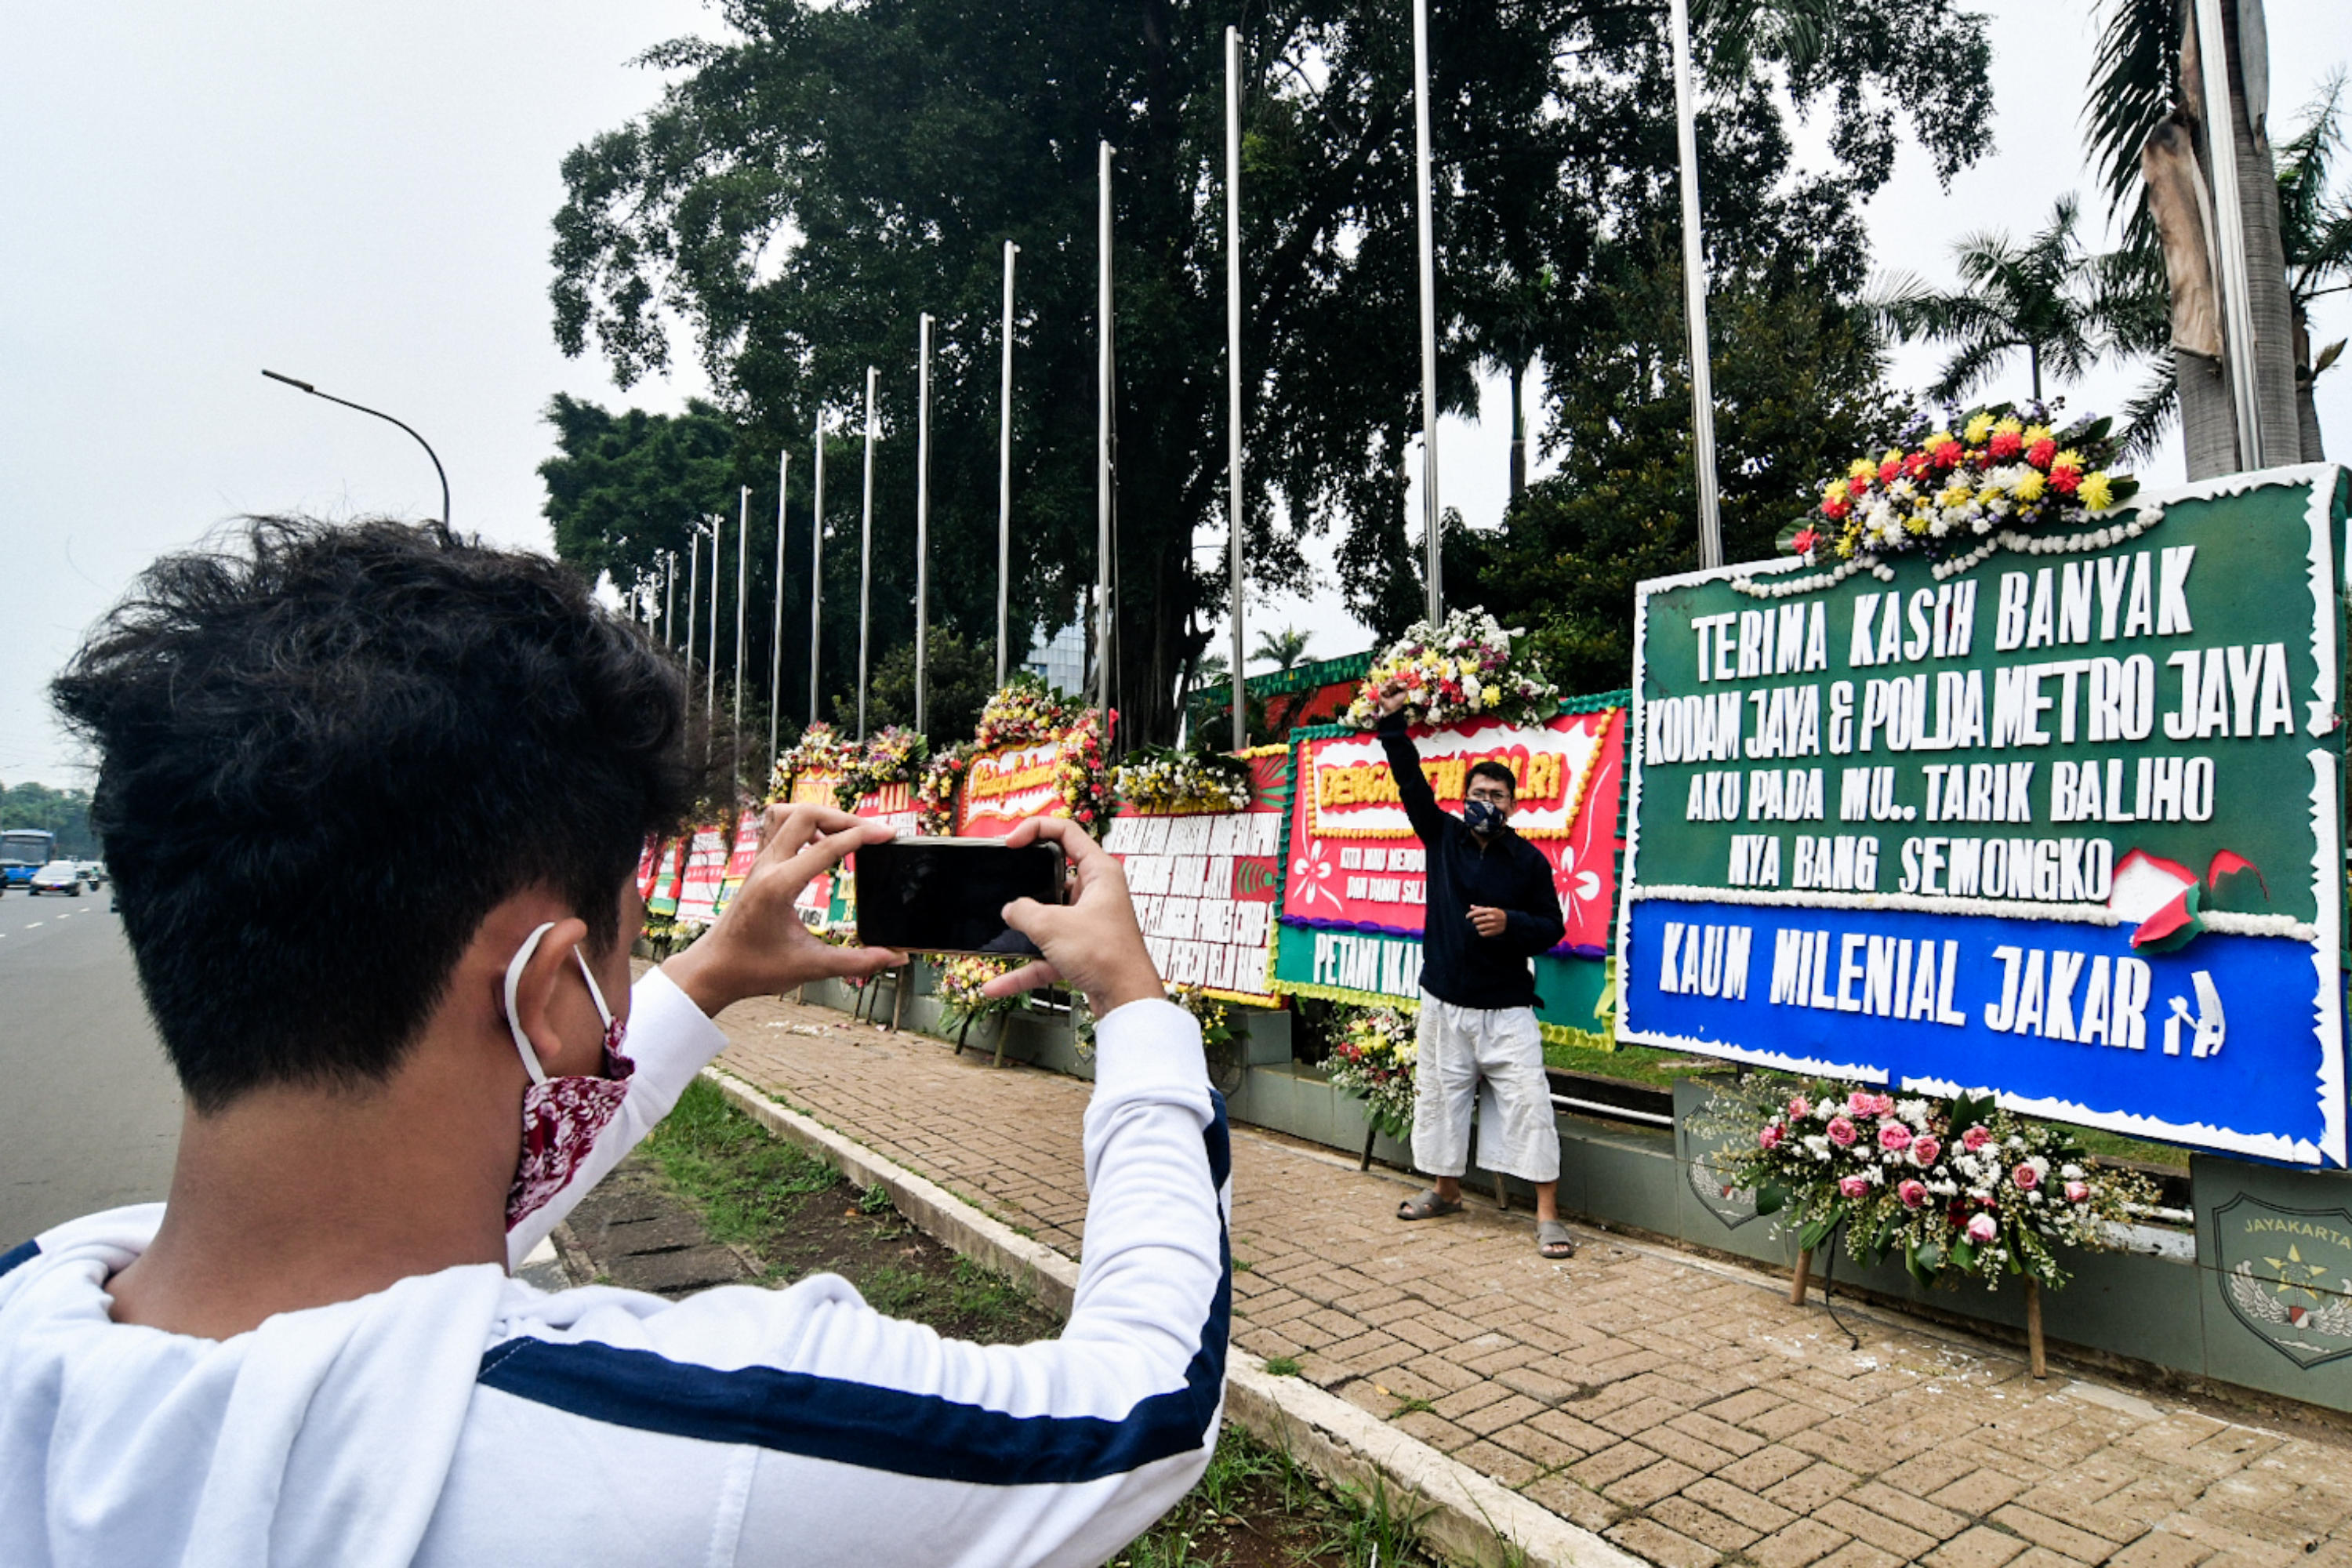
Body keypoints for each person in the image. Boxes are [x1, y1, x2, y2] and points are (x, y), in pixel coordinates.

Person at [0, 518, 1227, 1567]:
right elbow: (1144, 1404)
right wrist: (1137, 1008)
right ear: (545, 994)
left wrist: (709, 972)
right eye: (619, 966)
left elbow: (446, 1195)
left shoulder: (48, 1301)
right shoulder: (692, 1441)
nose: (620, 1012)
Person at [1374, 683, 1574, 1258]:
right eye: (1479, 793)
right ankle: (1446, 1192)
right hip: (1444, 1001)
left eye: (1498, 795)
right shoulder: (1441, 836)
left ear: (1513, 805)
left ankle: (1547, 1216)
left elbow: (1552, 926)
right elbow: (1409, 780)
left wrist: (1510, 922)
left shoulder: (1529, 861)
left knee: (1531, 1106)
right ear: (1465, 798)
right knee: (1441, 1099)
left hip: (1507, 1009)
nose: (1488, 801)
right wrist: (1392, 723)